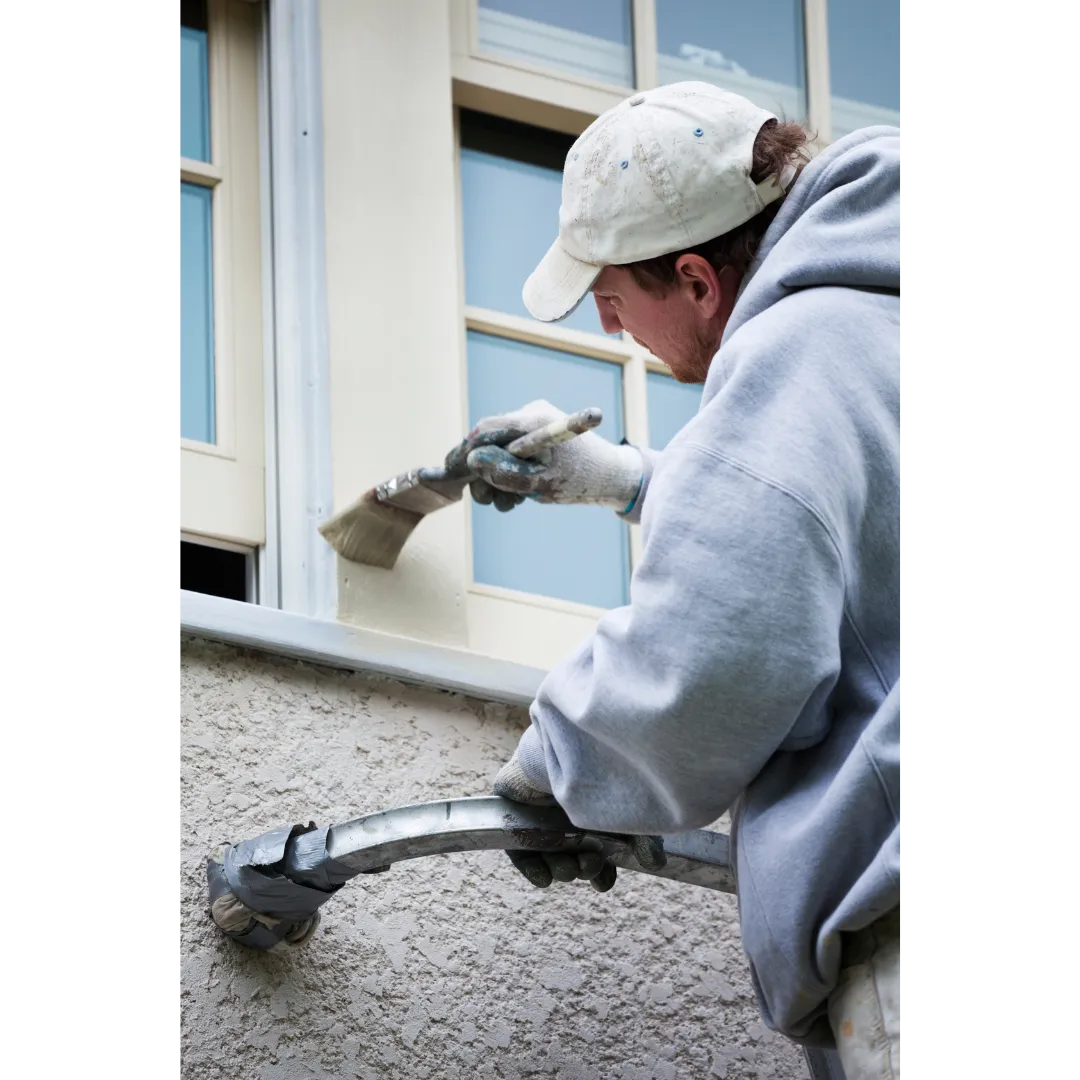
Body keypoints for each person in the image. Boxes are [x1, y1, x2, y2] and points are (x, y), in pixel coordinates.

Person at [440, 81, 902, 1080]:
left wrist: (561, 764)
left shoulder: (797, 348)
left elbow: (722, 652)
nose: (610, 326)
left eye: (614, 296)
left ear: (697, 281)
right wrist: (635, 481)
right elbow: (858, 529)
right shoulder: (876, 320)